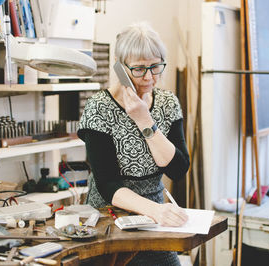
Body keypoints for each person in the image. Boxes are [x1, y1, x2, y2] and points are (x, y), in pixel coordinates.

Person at [77, 22, 190, 266]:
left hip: (154, 223)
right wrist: (156, 210)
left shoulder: (167, 103)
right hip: (108, 223)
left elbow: (178, 168)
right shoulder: (99, 109)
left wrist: (144, 120)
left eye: (155, 66)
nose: (149, 77)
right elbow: (108, 184)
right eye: (139, 69)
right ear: (119, 66)